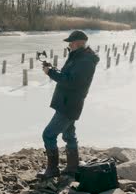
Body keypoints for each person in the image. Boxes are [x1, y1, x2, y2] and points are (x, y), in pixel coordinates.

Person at [37, 30, 100, 179]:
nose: (69, 44)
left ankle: (52, 170)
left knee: (48, 135)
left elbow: (72, 82)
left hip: (69, 105)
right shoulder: (78, 57)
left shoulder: (85, 61)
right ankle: (72, 167)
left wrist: (50, 73)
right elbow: (68, 77)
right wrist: (53, 70)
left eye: (71, 42)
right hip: (68, 103)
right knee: (69, 135)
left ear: (79, 43)